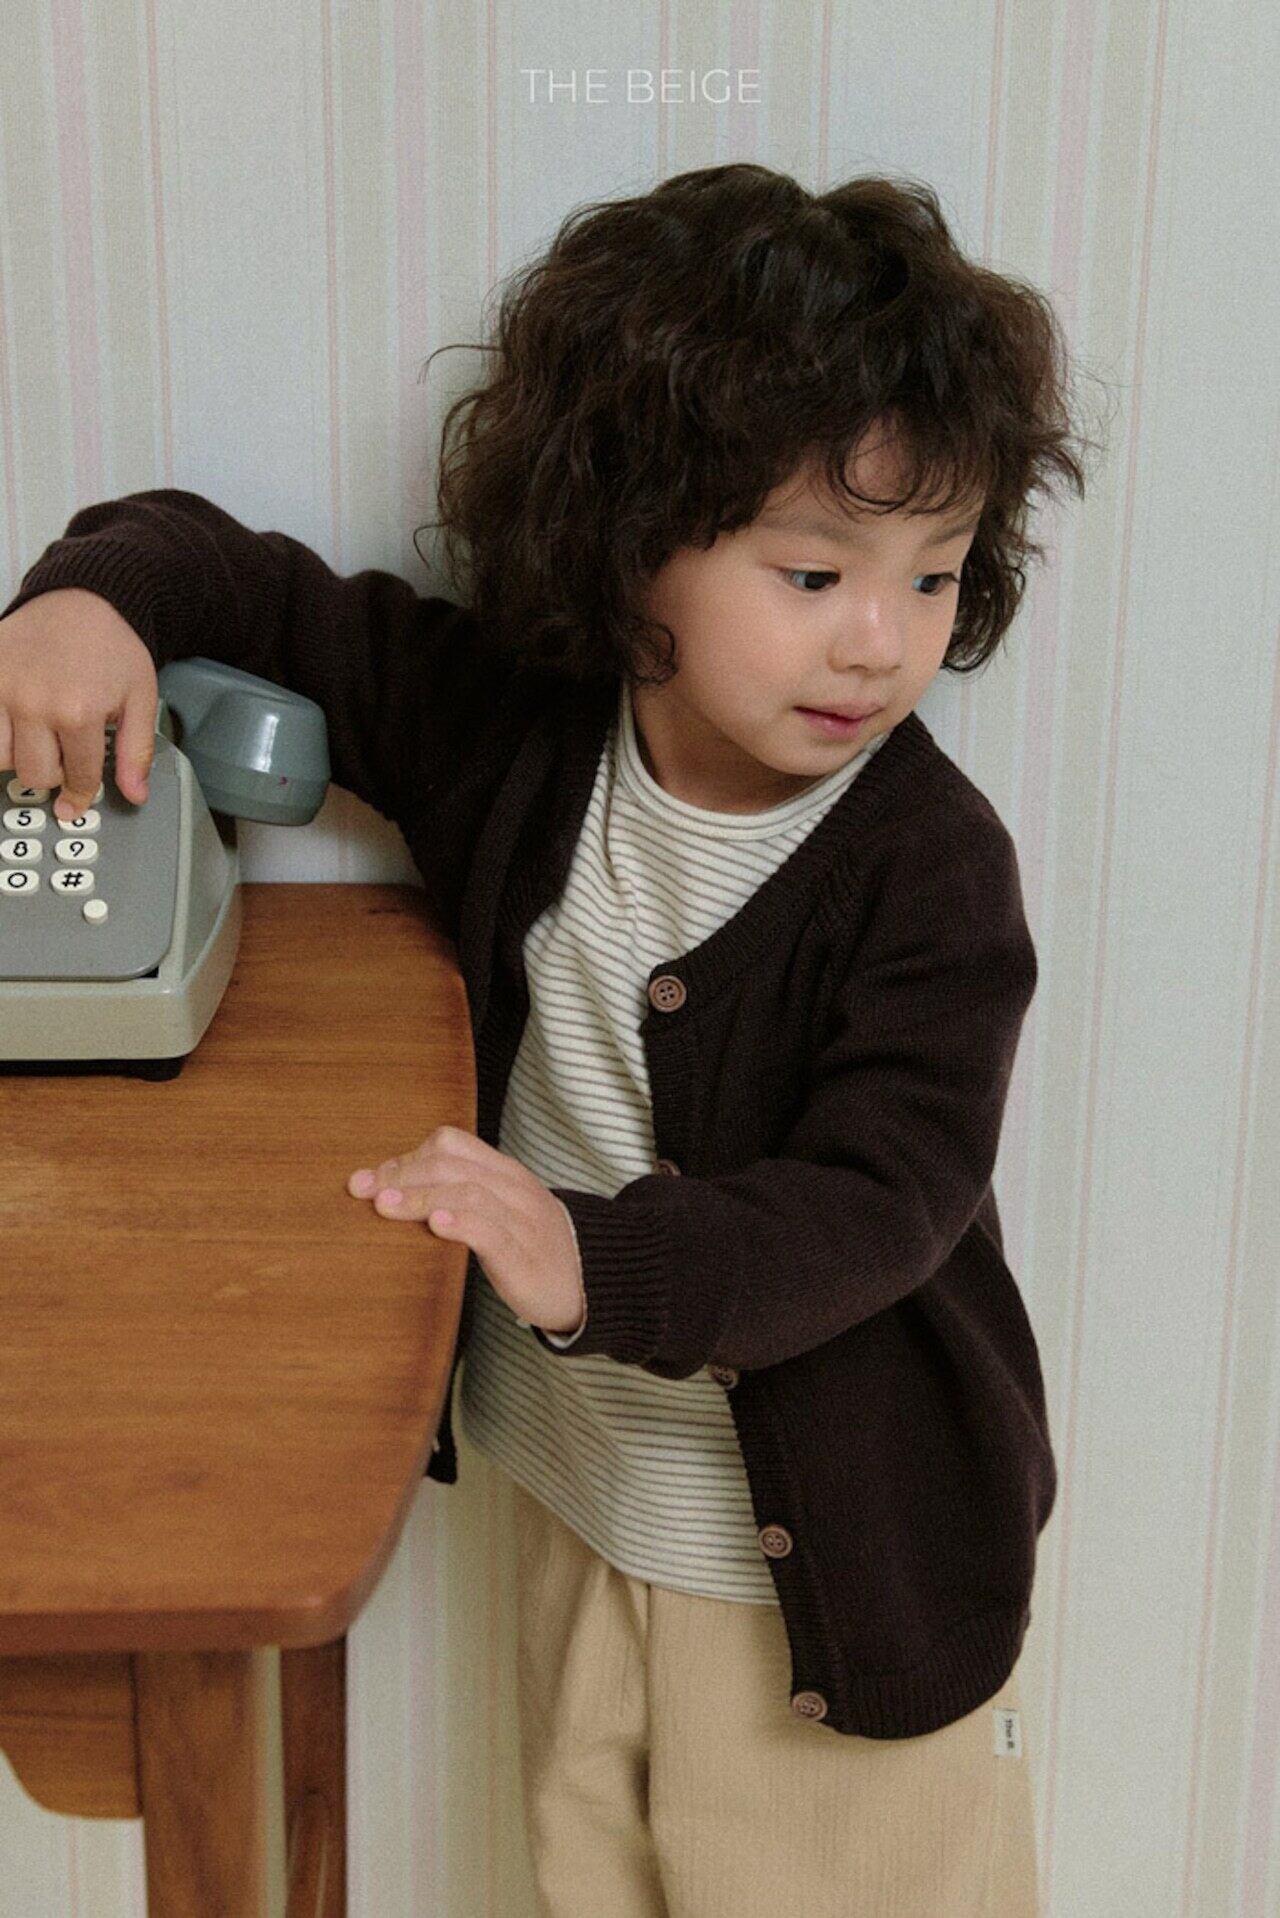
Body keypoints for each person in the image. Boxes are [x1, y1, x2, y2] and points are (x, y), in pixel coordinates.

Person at [0, 163, 1104, 1916]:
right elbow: (251, 585)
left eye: (932, 576)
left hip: (845, 1580)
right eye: (813, 570)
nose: (880, 640)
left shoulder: (929, 868)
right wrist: (90, 599)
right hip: (589, 1506)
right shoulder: (516, 726)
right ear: (633, 531)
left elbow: (883, 1199)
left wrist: (593, 1257)